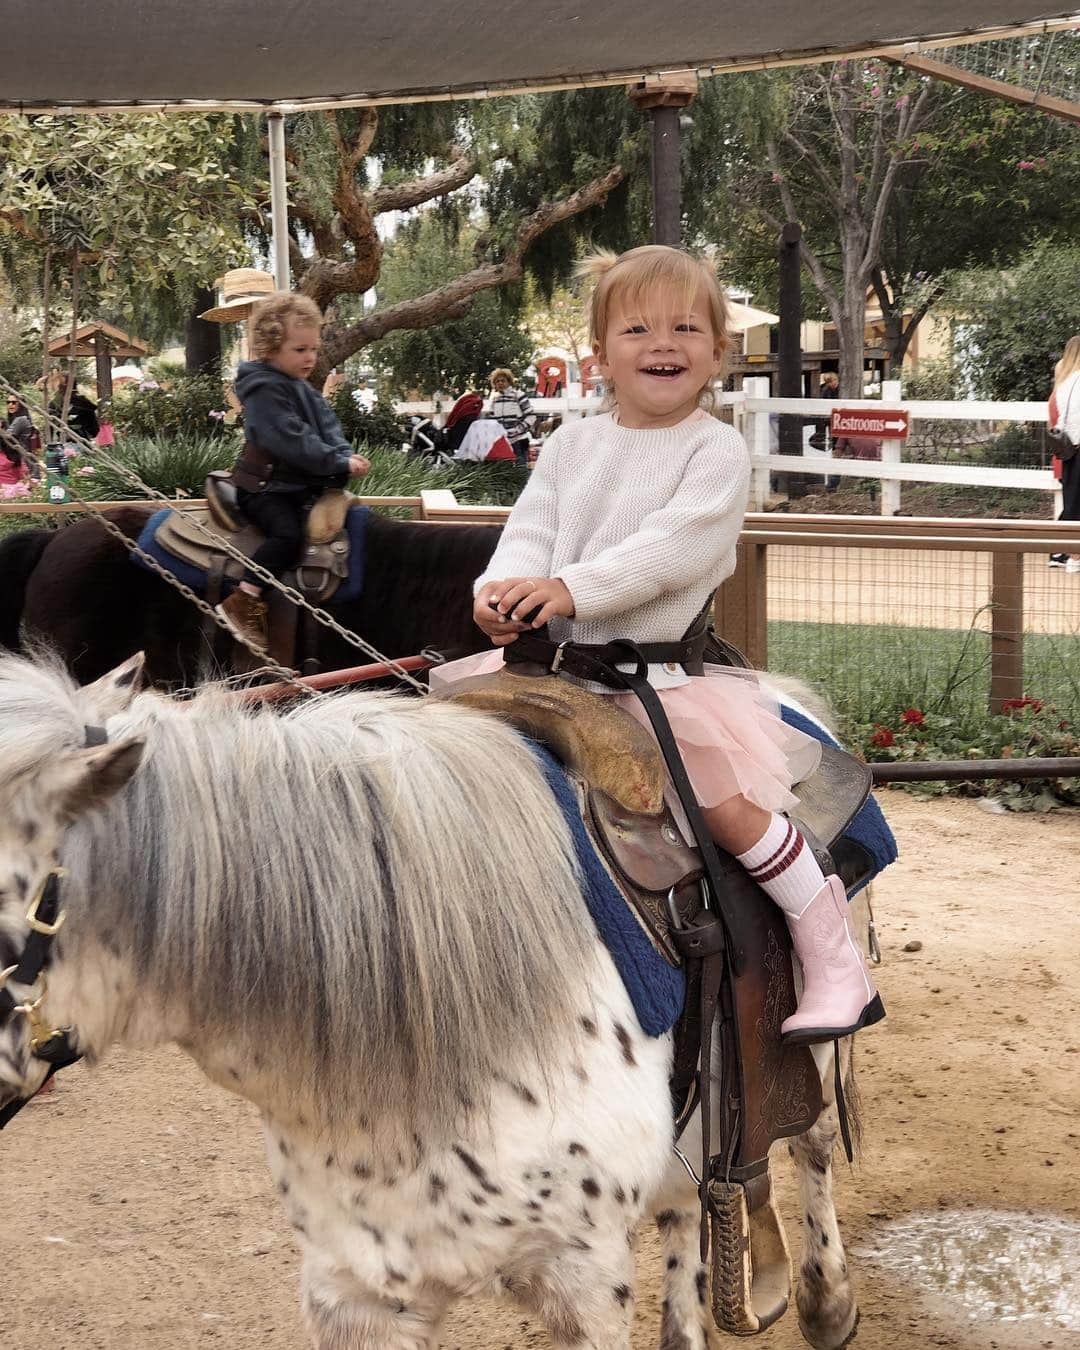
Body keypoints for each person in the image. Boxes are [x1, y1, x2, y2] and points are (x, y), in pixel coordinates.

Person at [431, 244, 883, 1045]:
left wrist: (574, 591)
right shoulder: (572, 445)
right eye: (637, 328)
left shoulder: (713, 451)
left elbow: (675, 547)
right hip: (553, 673)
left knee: (726, 808)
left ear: (716, 351)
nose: (662, 344)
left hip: (658, 681)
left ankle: (833, 953)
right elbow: (529, 529)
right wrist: (496, 594)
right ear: (599, 353)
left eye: (685, 327)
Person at [215, 292, 371, 649]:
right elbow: (290, 437)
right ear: (271, 349)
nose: (310, 358)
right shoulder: (262, 390)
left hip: (296, 485)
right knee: (287, 534)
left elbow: (327, 427)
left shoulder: (303, 389)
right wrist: (335, 462)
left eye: (313, 349)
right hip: (265, 487)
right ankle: (245, 597)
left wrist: (343, 453)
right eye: (300, 350)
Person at [1048, 336, 1080, 573]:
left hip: (1069, 450)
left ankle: (1067, 553)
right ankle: (1072, 557)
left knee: (1072, 502)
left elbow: (1060, 419)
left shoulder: (1064, 383)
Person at [488, 367, 536, 467]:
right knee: (505, 472)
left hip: (519, 440)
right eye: (497, 381)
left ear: (509, 382)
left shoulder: (519, 395)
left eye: (503, 380)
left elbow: (531, 417)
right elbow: (492, 421)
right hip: (502, 442)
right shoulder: (494, 399)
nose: (500, 383)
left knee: (521, 470)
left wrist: (518, 430)